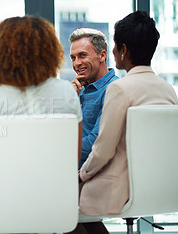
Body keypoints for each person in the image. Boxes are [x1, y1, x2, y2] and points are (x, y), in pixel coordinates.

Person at [68, 11, 178, 234]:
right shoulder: (168, 90)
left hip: (120, 187)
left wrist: (80, 175)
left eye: (117, 46)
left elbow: (101, 151)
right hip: (161, 188)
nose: (115, 52)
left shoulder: (119, 88)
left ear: (124, 50)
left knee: (54, 200)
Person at [0, 15, 83, 220]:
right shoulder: (66, 92)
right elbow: (72, 160)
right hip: (55, 204)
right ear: (49, 52)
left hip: (0, 205)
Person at [69, 28, 119, 168]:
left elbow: (95, 142)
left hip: (91, 176)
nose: (77, 63)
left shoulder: (113, 89)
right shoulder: (78, 88)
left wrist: (57, 148)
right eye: (73, 58)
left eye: (82, 55)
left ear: (102, 55)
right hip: (70, 170)